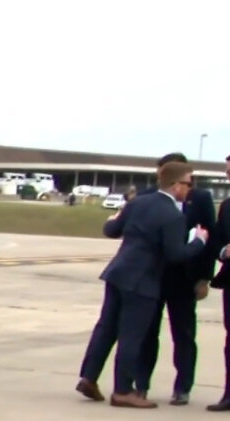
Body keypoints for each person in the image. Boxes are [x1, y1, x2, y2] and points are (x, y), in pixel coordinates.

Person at [76, 160, 209, 408]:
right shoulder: (173, 215)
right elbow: (175, 254)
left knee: (106, 328)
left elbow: (112, 229)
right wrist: (199, 242)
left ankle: (89, 377)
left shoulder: (138, 202)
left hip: (118, 272)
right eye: (188, 183)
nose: (190, 189)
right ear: (176, 184)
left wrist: (112, 219)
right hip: (142, 281)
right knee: (132, 335)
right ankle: (123, 390)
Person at [133, 153, 219, 405]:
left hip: (185, 278)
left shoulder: (200, 199)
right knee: (148, 333)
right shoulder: (148, 197)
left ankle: (183, 387)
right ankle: (141, 384)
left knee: (183, 333)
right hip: (154, 276)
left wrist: (204, 277)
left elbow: (209, 238)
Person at [205, 156, 230, 411]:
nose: (227, 176)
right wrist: (224, 251)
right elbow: (216, 243)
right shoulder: (227, 207)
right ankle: (229, 394)